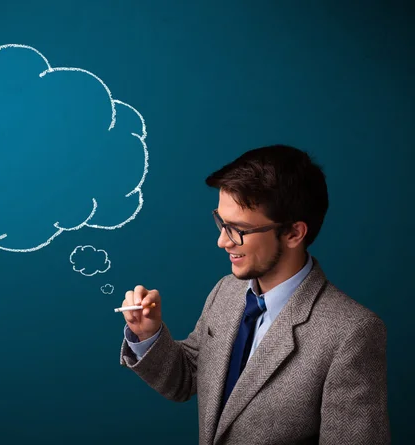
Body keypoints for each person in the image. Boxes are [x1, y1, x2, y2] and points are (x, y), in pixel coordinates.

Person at [119, 144, 390, 445]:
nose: (222, 241)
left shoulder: (351, 333)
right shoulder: (226, 291)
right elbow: (187, 379)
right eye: (221, 222)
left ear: (293, 234)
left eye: (239, 229)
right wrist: (148, 334)